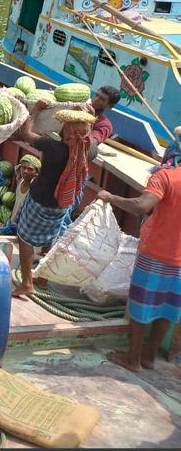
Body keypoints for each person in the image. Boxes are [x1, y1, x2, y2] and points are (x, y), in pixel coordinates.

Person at [96, 140, 180, 372]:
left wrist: (111, 198)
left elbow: (142, 205)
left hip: (155, 254)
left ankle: (132, 359)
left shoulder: (164, 176)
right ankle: (149, 357)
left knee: (141, 305)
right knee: (168, 308)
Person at [12, 102, 96, 297]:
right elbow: (89, 138)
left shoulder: (52, 146)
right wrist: (88, 120)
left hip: (40, 201)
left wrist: (35, 111)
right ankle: (42, 277)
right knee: (50, 239)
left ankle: (27, 283)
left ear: (66, 129)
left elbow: (26, 134)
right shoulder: (89, 150)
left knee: (25, 239)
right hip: (62, 204)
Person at [61, 85, 121, 232]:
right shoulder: (78, 109)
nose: (96, 100)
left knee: (64, 214)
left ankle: (57, 250)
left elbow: (91, 143)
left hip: (76, 173)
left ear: (110, 106)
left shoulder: (104, 125)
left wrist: (84, 121)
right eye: (97, 95)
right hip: (60, 163)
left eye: (102, 99)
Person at [0, 154, 41, 236]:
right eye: (23, 167)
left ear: (36, 173)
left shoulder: (35, 189)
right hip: (12, 221)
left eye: (30, 169)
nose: (25, 171)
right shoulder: (21, 181)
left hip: (22, 226)